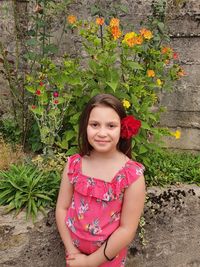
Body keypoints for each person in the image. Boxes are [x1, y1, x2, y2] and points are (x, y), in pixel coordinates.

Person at [56, 93, 146, 267]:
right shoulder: (74, 165)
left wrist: (90, 262)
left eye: (111, 126)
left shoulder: (131, 175)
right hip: (74, 257)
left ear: (122, 128)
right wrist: (72, 252)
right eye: (94, 125)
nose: (102, 133)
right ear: (85, 126)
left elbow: (127, 229)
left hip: (108, 258)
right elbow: (62, 208)